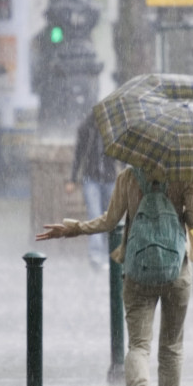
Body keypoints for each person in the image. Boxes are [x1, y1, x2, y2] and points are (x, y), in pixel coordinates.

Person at [36, 166, 193, 386]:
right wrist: (187, 200)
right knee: (171, 348)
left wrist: (74, 228)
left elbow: (110, 221)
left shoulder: (129, 175)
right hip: (176, 271)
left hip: (138, 270)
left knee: (138, 344)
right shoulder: (184, 172)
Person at [66, 112, 119, 271]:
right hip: (91, 179)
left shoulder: (114, 131)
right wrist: (73, 179)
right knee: (95, 216)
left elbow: (122, 155)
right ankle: (96, 255)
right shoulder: (86, 129)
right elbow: (79, 155)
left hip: (109, 179)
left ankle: (108, 254)